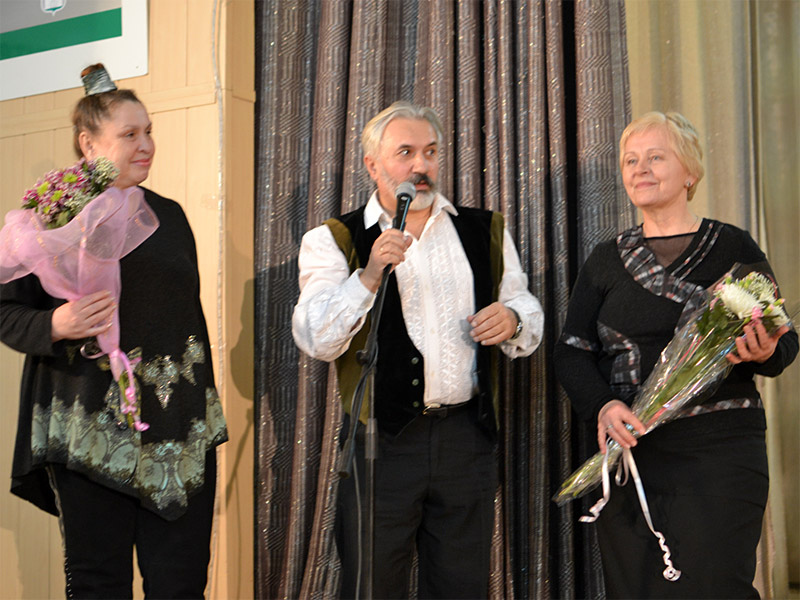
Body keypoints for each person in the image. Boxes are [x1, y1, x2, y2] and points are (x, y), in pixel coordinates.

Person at [292, 101, 544, 599]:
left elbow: (526, 307)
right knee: (371, 586)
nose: (421, 165)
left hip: (465, 439)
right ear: (373, 165)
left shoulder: (484, 229)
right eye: (405, 152)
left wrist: (513, 319)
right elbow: (315, 338)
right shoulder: (333, 239)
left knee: (461, 587)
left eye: (430, 152)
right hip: (381, 443)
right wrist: (367, 277)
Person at [0, 64, 227, 598]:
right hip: (87, 430)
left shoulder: (169, 216)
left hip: (177, 429)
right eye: (129, 134)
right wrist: (54, 323)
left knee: (181, 583)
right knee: (98, 582)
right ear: (88, 143)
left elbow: (187, 322)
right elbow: (6, 311)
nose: (146, 144)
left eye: (148, 131)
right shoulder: (49, 219)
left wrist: (200, 408)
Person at [554, 111, 798, 598]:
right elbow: (572, 351)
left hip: (721, 452)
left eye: (655, 157)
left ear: (689, 172)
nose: (640, 169)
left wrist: (766, 349)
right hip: (633, 453)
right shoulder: (605, 259)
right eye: (631, 160)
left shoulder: (732, 244)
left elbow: (784, 343)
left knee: (715, 586)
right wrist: (604, 405)